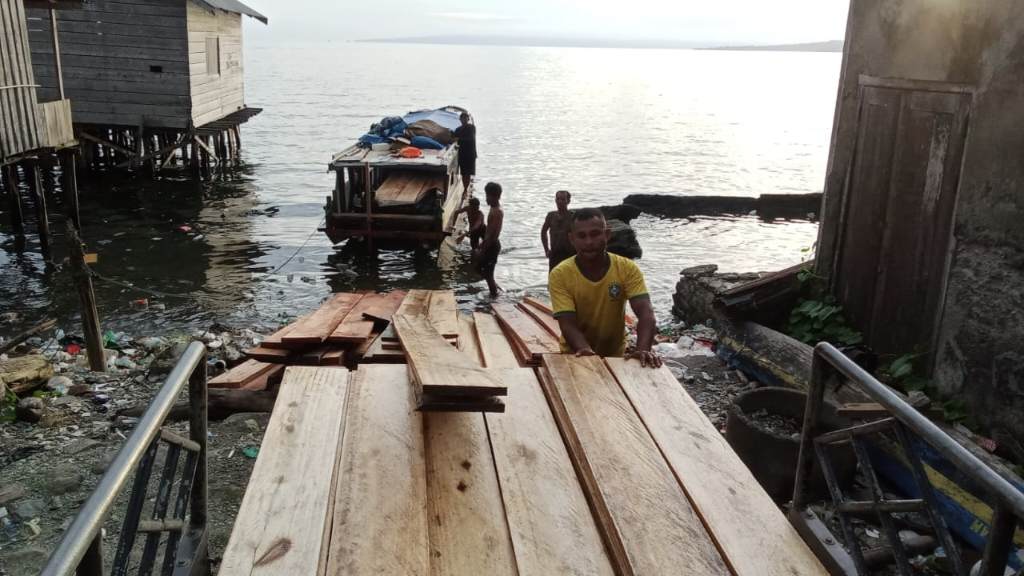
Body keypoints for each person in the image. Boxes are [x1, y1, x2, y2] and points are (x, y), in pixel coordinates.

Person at [548, 208, 662, 367]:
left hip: (616, 355)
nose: (589, 242)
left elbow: (646, 313)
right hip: (576, 355)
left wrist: (643, 350)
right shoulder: (560, 274)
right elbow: (567, 323)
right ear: (572, 239)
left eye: (595, 234)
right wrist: (584, 350)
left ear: (607, 234)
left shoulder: (627, 268)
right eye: (582, 236)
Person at [474, 182, 504, 298]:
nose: (486, 198)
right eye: (486, 195)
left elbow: (493, 234)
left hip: (492, 245)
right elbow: (489, 231)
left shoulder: (497, 212)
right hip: (489, 243)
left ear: (496, 197)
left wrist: (483, 249)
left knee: (488, 273)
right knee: (479, 269)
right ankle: (495, 288)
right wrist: (482, 245)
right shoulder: (493, 208)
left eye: (488, 196)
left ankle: (494, 295)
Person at [540, 190, 575, 270]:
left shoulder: (572, 216)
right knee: (554, 275)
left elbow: (579, 233)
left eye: (563, 199)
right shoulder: (551, 216)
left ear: (568, 201)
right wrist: (546, 249)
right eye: (558, 199)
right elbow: (543, 232)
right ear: (555, 200)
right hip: (555, 253)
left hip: (570, 253)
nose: (560, 201)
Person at [451, 112, 477, 191]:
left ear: (468, 119)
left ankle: (465, 189)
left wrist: (459, 139)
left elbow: (471, 139)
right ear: (460, 119)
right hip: (462, 154)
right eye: (462, 118)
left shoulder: (471, 127)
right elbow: (454, 137)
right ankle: (465, 188)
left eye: (465, 118)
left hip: (470, 154)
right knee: (463, 173)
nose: (464, 120)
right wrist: (451, 134)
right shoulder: (458, 129)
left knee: (467, 173)